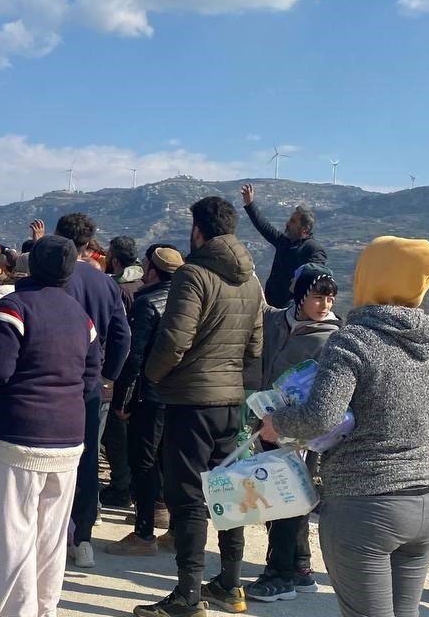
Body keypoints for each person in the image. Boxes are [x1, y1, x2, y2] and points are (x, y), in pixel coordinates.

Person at [261, 235, 429, 617]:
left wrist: (276, 424)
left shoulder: (354, 341)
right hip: (424, 502)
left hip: (365, 504)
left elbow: (319, 418)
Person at [0, 235, 101, 617]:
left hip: (18, 435)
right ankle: (47, 609)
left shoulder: (14, 307)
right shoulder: (81, 316)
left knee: (15, 534)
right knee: (53, 536)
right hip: (69, 438)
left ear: (31, 264)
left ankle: (17, 612)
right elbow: (91, 376)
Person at [137, 196, 263, 616]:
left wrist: (151, 377)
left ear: (198, 230)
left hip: (191, 402)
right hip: (232, 399)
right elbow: (255, 346)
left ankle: (187, 596)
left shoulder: (193, 275)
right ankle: (230, 584)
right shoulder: (251, 279)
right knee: (229, 494)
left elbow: (175, 340)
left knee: (188, 497)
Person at [241, 264, 341, 602]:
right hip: (267, 423)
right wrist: (248, 271)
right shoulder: (276, 320)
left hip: (299, 429)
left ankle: (279, 574)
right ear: (300, 297)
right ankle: (300, 567)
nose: (324, 304)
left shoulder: (332, 338)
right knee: (288, 497)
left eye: (329, 298)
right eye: (317, 296)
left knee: (282, 499)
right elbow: (259, 303)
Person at [53, 213, 131, 569]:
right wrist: (108, 374)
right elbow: (122, 336)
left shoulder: (55, 278)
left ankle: (49, 533)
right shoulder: (105, 284)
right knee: (85, 461)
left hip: (52, 380)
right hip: (90, 384)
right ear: (89, 243)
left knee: (47, 456)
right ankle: (82, 536)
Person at [105, 245, 183, 557]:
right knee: (172, 461)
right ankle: (173, 527)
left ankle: (144, 532)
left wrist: (122, 399)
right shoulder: (188, 302)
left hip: (150, 395)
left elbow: (134, 357)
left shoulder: (147, 303)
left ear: (152, 271)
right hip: (181, 395)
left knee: (144, 461)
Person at [100, 235, 144, 510]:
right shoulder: (142, 283)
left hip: (120, 372)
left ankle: (120, 487)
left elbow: (119, 336)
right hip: (139, 373)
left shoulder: (118, 289)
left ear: (114, 259)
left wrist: (111, 376)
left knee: (115, 434)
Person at [239, 183, 327, 307]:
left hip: (291, 312)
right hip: (271, 308)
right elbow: (264, 227)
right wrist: (249, 204)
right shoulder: (284, 242)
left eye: (293, 221)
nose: (287, 223)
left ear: (305, 229)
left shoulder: (313, 249)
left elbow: (315, 277)